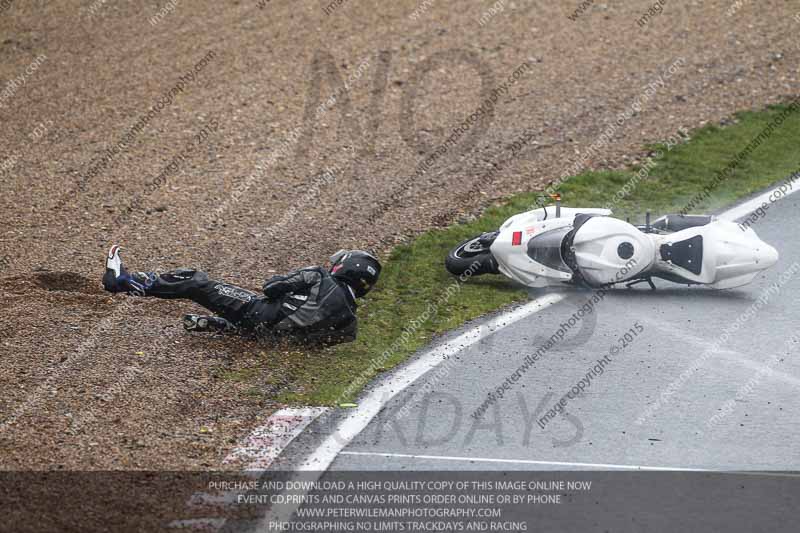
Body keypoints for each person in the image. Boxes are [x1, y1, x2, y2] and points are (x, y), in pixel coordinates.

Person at [101, 245, 381, 344]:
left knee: (196, 281)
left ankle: (124, 281)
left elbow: (271, 287)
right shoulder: (350, 327)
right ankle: (219, 325)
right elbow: (309, 345)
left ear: (346, 267)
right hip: (266, 336)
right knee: (272, 326)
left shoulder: (319, 276)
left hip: (256, 312)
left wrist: (283, 288)